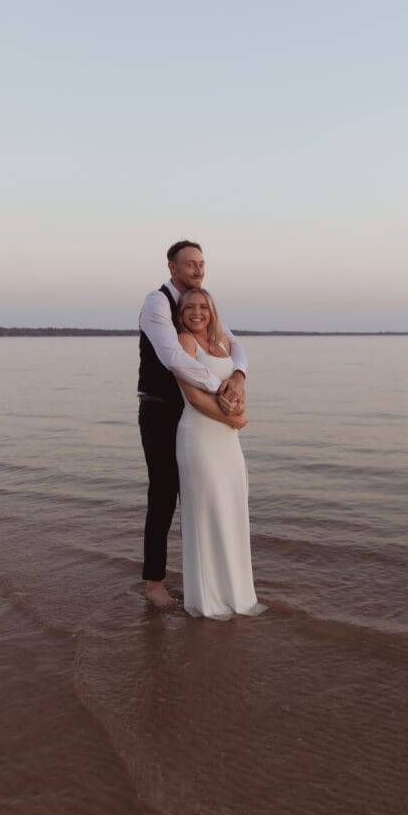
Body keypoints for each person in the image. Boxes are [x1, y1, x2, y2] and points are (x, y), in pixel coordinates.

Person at [138, 241, 247, 608]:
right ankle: (154, 582)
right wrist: (222, 390)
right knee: (164, 495)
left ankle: (210, 580)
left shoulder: (199, 301)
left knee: (204, 496)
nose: (198, 270)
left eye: (201, 263)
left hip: (198, 410)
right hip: (161, 409)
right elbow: (172, 357)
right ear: (172, 267)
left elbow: (233, 343)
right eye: (190, 264)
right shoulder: (158, 303)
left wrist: (240, 376)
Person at [175, 287, 265, 619]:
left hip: (228, 441)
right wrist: (236, 418)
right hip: (199, 436)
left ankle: (238, 594)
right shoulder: (184, 342)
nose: (196, 312)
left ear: (212, 311)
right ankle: (208, 600)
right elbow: (196, 397)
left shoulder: (225, 344)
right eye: (189, 307)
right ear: (181, 313)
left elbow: (235, 388)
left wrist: (239, 405)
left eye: (203, 306)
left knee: (233, 508)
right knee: (207, 513)